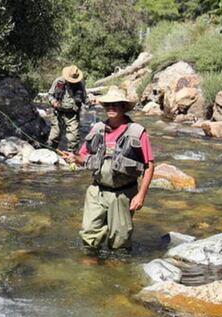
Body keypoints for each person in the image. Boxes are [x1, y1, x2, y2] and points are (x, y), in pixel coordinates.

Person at [65, 86, 155, 253]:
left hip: (123, 195)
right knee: (89, 239)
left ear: (123, 107)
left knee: (119, 243)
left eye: (115, 104)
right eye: (108, 105)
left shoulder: (137, 132)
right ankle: (91, 273)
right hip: (97, 191)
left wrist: (141, 195)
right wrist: (73, 158)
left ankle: (117, 273)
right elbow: (83, 157)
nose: (111, 108)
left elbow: (149, 166)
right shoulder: (97, 128)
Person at [46, 65, 87, 152]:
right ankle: (50, 152)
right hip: (58, 113)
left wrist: (91, 101)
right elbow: (50, 95)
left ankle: (72, 157)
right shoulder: (59, 82)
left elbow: (85, 98)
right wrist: (53, 102)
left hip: (73, 114)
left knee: (73, 138)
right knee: (54, 136)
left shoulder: (80, 84)